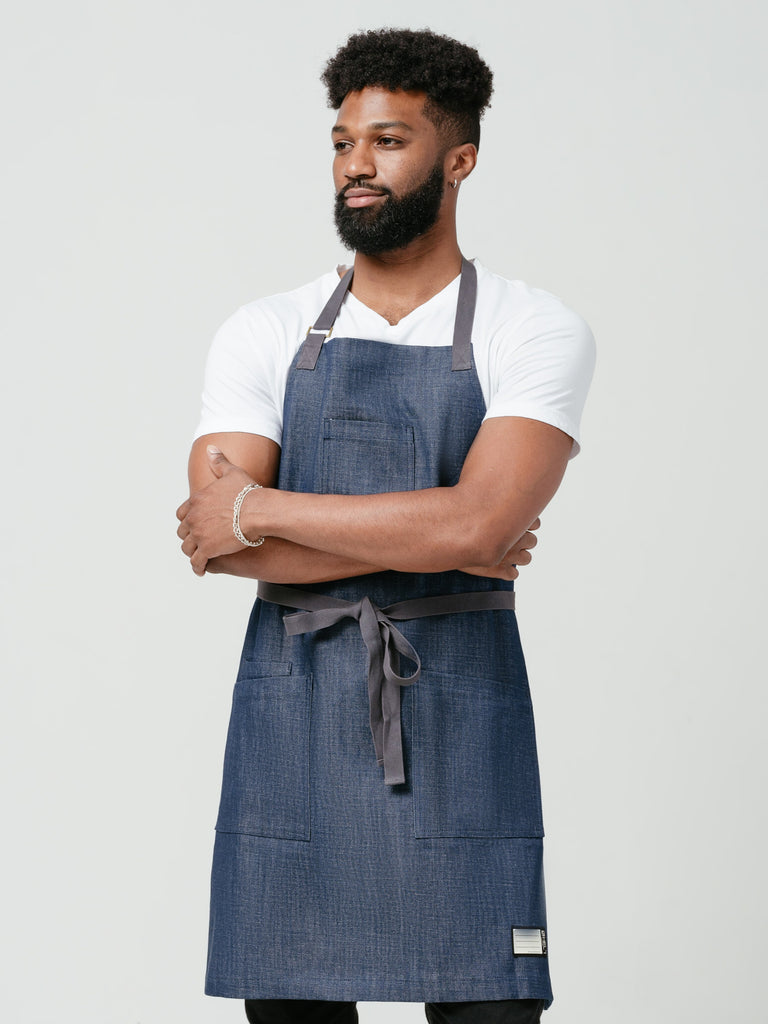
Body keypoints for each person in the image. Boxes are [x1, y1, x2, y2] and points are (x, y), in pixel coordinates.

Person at [176, 27, 595, 1024]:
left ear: (460, 159)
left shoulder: (532, 328)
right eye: (341, 141)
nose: (355, 165)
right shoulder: (266, 328)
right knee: (291, 1010)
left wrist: (266, 507)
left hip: (462, 718)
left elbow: (482, 518)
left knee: (489, 1006)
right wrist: (447, 527)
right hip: (296, 719)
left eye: (388, 140)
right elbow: (210, 535)